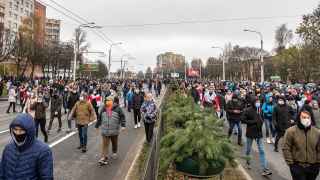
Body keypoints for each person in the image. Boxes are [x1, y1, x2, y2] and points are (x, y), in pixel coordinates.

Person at [0, 114, 53, 179]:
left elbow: (46, 177)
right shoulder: (8, 149)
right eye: (15, 129)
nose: (18, 133)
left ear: (29, 131)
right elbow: (2, 172)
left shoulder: (43, 151)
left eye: (21, 130)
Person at [283, 109, 320, 180]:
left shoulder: (317, 132)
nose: (306, 119)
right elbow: (286, 148)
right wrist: (291, 164)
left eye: (308, 117)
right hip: (298, 166)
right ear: (299, 118)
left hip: (313, 167)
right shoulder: (291, 131)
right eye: (304, 117)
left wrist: (317, 164)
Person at [241, 96, 272, 176]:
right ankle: (247, 161)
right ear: (253, 102)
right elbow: (243, 120)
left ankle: (264, 168)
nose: (258, 103)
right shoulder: (247, 110)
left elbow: (261, 119)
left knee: (261, 150)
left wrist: (260, 121)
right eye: (256, 102)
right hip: (250, 133)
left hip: (258, 133)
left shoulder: (260, 110)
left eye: (259, 102)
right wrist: (253, 122)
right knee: (248, 149)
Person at [95, 96, 126, 165]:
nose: (107, 102)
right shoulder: (103, 108)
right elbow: (99, 118)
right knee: (104, 145)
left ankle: (114, 151)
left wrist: (123, 125)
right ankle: (103, 158)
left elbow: (122, 117)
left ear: (113, 101)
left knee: (114, 142)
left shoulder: (118, 109)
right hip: (105, 130)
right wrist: (97, 126)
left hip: (114, 130)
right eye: (106, 100)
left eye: (109, 100)